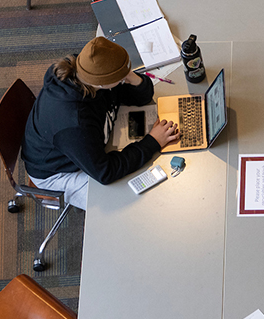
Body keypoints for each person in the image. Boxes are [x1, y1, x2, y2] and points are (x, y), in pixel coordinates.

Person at [22, 37, 180, 210]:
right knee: (125, 202)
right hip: (57, 173)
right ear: (102, 83)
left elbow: (140, 98)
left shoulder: (89, 71)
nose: (123, 80)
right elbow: (106, 172)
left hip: (85, 145)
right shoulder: (73, 123)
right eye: (119, 79)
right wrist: (153, 142)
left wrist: (131, 77)